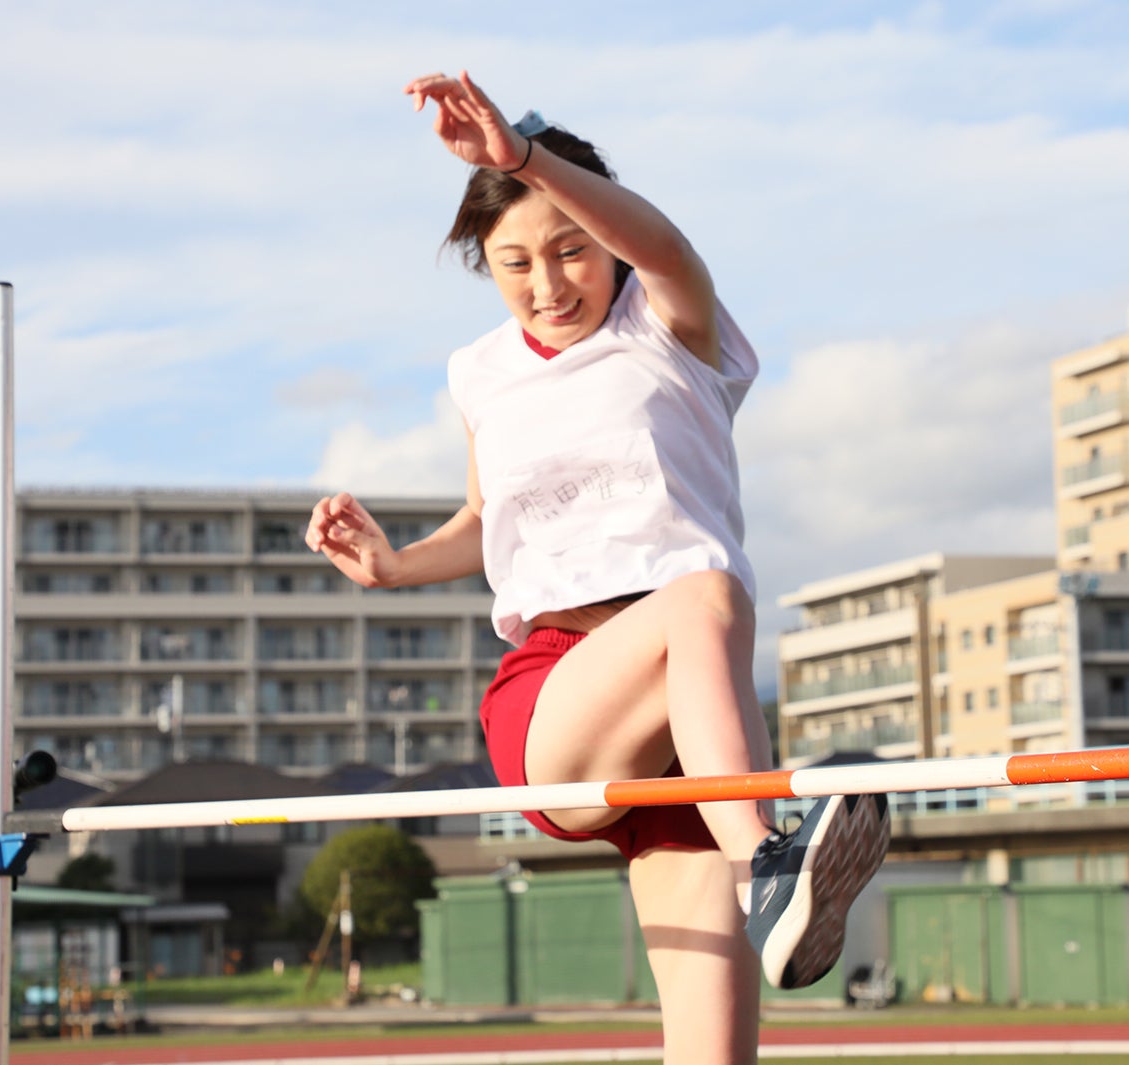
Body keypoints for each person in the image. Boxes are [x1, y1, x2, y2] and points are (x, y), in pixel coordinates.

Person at [307, 70, 891, 1064]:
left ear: (608, 240)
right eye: (513, 263)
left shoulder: (669, 322)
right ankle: (768, 861)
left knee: (712, 1053)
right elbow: (489, 520)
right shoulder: (481, 375)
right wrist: (395, 565)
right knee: (701, 594)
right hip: (560, 699)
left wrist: (526, 156)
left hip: (695, 729)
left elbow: (666, 249)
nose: (546, 285)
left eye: (571, 250)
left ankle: (767, 868)